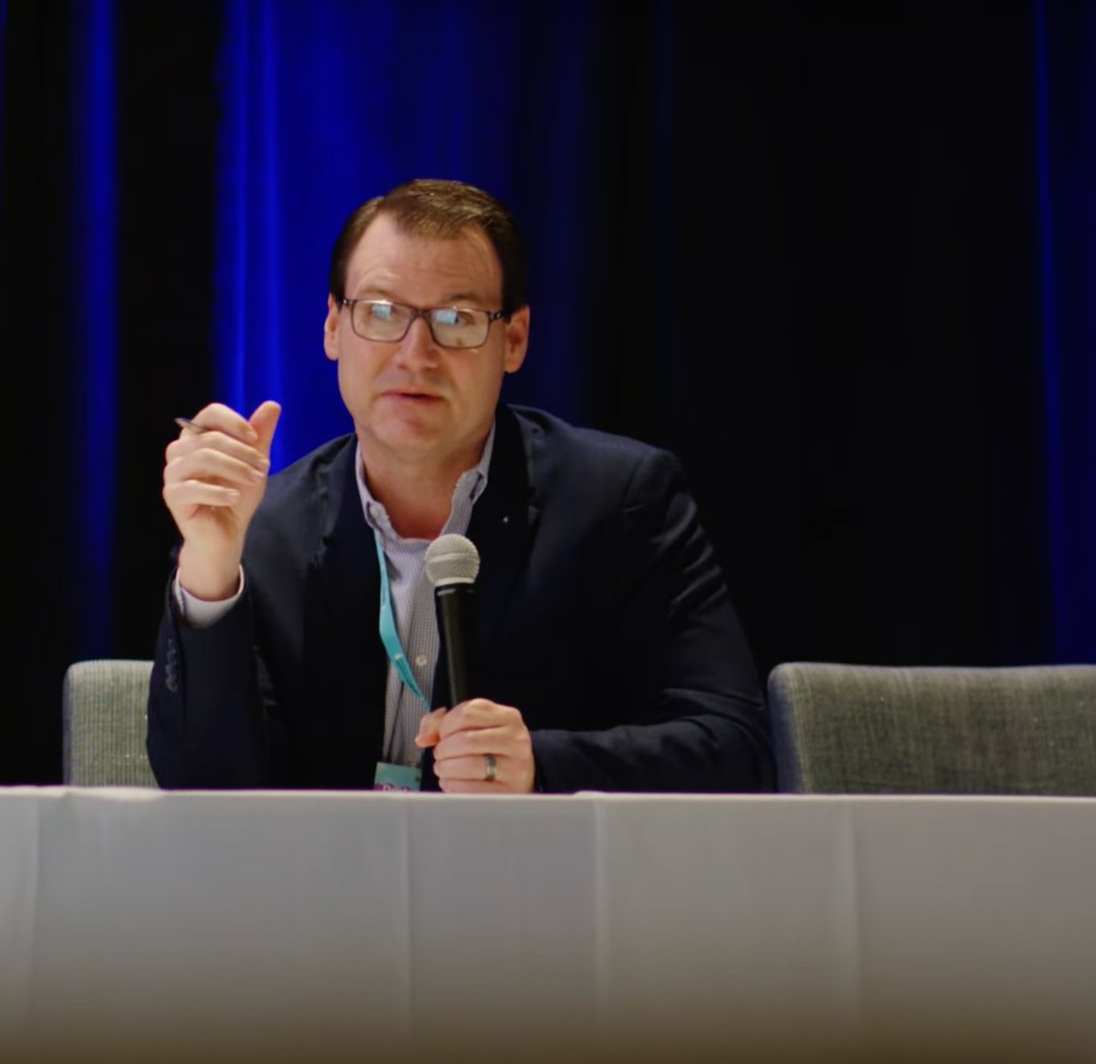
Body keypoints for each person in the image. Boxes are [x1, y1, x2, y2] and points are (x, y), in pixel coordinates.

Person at [149, 179, 770, 793]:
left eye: (457, 318)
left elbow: (735, 745)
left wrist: (542, 767)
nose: (416, 354)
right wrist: (209, 568)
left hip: (536, 884)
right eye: (382, 312)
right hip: (324, 888)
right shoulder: (262, 526)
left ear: (514, 340)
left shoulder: (623, 502)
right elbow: (207, 790)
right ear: (333, 327)